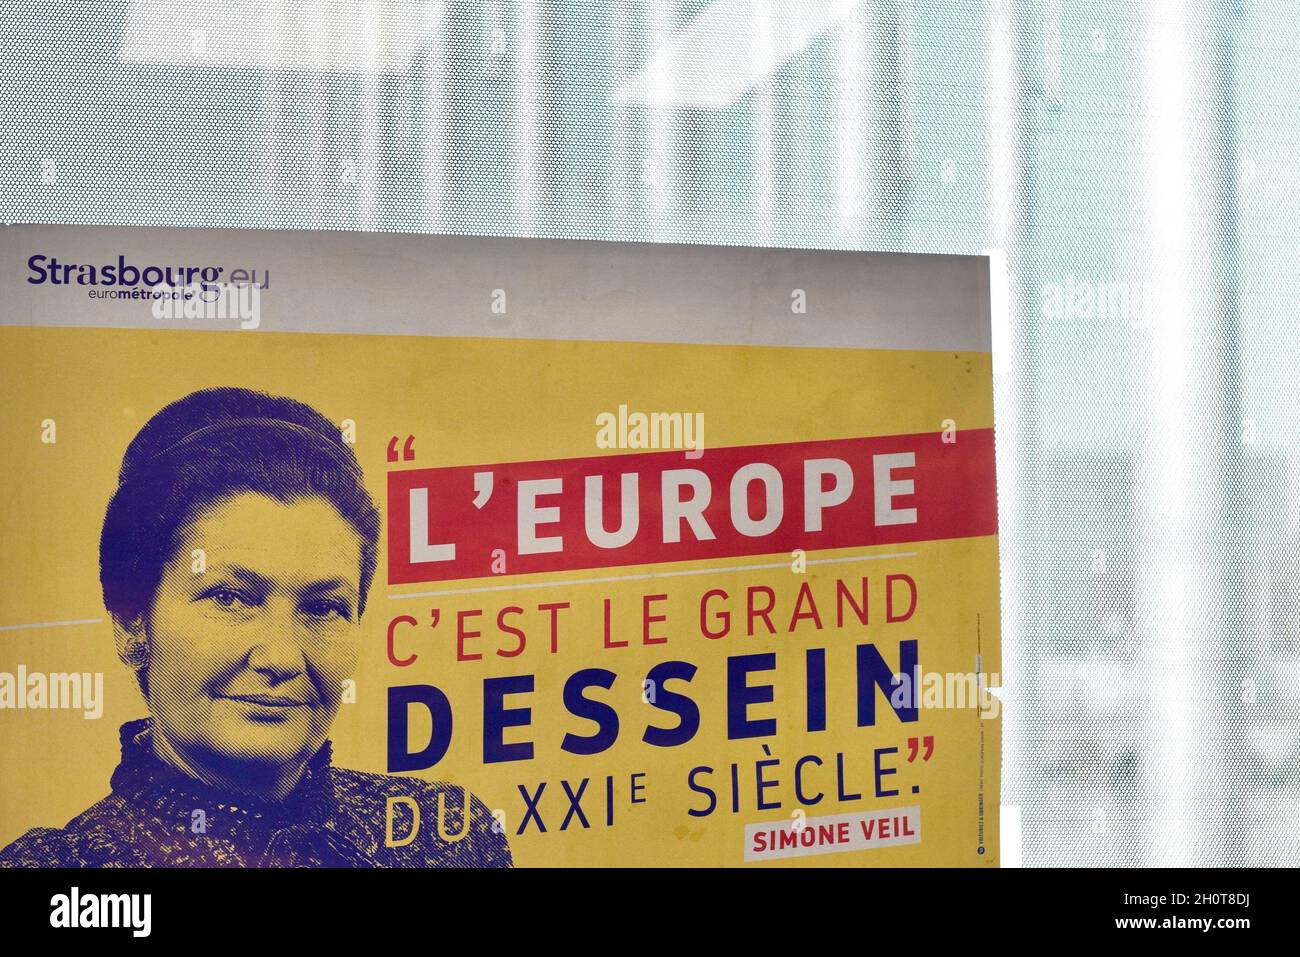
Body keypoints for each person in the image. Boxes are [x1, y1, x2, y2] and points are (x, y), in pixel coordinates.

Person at [0, 387, 511, 867]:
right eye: (231, 598)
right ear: (132, 622)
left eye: (323, 608)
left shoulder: (444, 837)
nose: (283, 659)